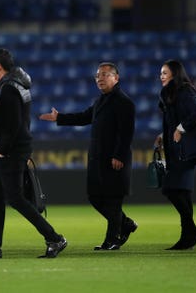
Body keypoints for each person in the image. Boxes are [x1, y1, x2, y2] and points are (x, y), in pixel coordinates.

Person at [0, 48, 67, 259]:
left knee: (16, 198)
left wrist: (2, 150)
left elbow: (14, 125)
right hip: (11, 150)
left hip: (11, 152)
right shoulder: (16, 85)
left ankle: (54, 238)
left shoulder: (10, 89)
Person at [39, 62, 137, 251]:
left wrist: (119, 156)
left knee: (113, 200)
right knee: (95, 197)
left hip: (115, 159)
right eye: (98, 75)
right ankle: (126, 224)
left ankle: (112, 240)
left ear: (116, 78)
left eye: (105, 75)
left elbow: (127, 133)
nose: (100, 78)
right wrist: (60, 118)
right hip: (98, 159)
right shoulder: (101, 100)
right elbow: (85, 117)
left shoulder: (124, 102)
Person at [155, 59, 196, 250]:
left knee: (170, 189)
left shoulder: (184, 90)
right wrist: (165, 134)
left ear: (174, 74)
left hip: (186, 151)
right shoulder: (171, 93)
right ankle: (188, 235)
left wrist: (180, 128)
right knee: (183, 193)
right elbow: (174, 119)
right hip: (177, 150)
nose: (161, 76)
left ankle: (191, 231)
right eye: (161, 73)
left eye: (164, 73)